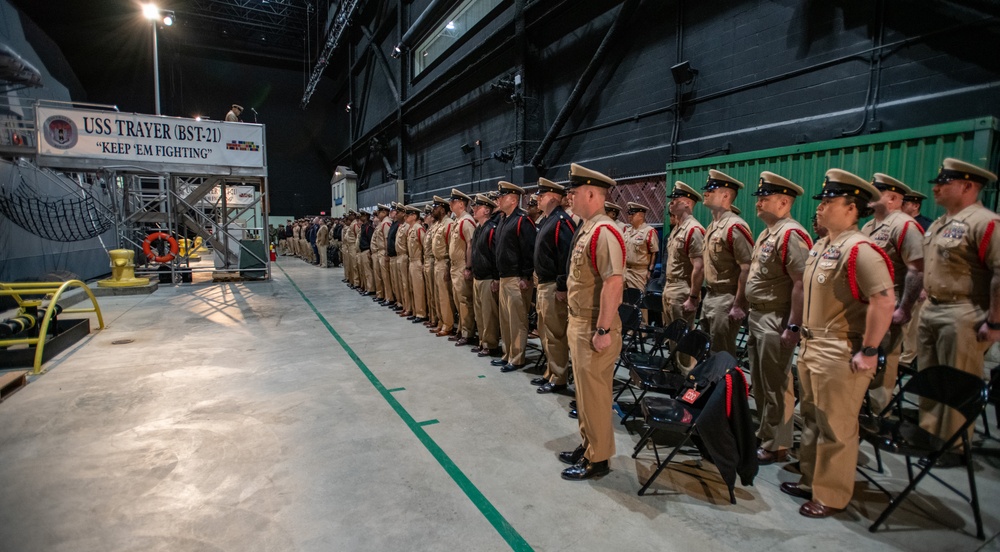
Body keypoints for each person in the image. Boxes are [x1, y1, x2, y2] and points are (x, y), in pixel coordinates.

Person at [781, 168, 894, 518]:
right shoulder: (823, 246)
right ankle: (810, 478)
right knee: (812, 418)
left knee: (837, 426)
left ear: (851, 208)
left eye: (829, 201)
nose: (820, 207)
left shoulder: (861, 250)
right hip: (814, 346)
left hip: (841, 349)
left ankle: (831, 495)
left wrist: (870, 350)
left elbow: (884, 301)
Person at [918, 158, 1000, 448]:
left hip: (963, 311)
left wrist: (994, 321)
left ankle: (952, 443)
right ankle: (929, 432)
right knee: (929, 374)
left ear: (968, 185)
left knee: (957, 378)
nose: (936, 188)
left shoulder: (985, 222)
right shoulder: (940, 223)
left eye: (944, 182)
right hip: (933, 309)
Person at [558, 163, 625, 481]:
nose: (569, 198)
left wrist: (603, 329)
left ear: (589, 193)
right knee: (584, 393)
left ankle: (598, 458)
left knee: (595, 394)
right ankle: (588, 445)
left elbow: (613, 283)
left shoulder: (605, 231)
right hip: (580, 322)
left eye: (572, 193)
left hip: (593, 325)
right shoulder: (588, 227)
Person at [745, 171, 812, 465]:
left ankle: (778, 443)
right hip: (758, 314)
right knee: (760, 382)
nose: (759, 203)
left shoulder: (791, 234)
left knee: (776, 383)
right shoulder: (768, 233)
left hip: (776, 317)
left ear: (784, 202)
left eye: (765, 198)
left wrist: (793, 325)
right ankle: (764, 431)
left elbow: (800, 283)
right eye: (759, 198)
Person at [860, 173, 924, 413]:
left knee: (883, 362)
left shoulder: (904, 225)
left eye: (875, 190)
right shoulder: (869, 226)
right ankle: (861, 407)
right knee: (866, 358)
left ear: (892, 197)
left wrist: (905, 308)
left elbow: (917, 269)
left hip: (888, 306)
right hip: (864, 305)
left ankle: (877, 413)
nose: (869, 194)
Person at [701, 170, 754, 356]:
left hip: (726, 298)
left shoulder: (734, 227)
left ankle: (726, 385)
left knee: (721, 353)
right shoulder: (712, 226)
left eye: (711, 189)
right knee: (708, 349)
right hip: (710, 295)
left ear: (725, 195)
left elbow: (747, 268)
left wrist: (739, 304)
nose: (705, 193)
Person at [532, 178, 576, 393]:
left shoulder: (561, 221)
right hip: (543, 284)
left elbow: (566, 256)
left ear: (554, 198)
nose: (538, 198)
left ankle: (559, 377)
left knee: (556, 334)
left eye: (542, 194)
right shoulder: (547, 220)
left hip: (553, 286)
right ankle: (550, 372)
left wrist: (562, 285)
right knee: (545, 332)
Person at [492, 181, 537, 372]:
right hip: (504, 277)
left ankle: (517, 357)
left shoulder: (522, 220)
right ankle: (507, 353)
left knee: (517, 320)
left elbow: (528, 250)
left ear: (513, 199)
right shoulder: (504, 219)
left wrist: (525, 276)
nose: (498, 200)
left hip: (517, 278)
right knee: (505, 319)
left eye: (502, 197)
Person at [661, 182, 705, 338]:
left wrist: (693, 297)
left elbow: (699, 267)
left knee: (682, 339)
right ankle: (675, 363)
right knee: (672, 338)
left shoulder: (693, 230)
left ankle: (685, 364)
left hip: (682, 289)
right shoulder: (677, 229)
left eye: (675, 199)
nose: (670, 203)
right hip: (670, 286)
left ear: (687, 203)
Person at [470, 194, 503, 357]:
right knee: (480, 312)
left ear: (487, 210)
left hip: (488, 277)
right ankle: (483, 340)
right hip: (478, 276)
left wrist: (496, 278)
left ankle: (491, 344)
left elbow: (496, 255)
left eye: (478, 207)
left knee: (489, 313)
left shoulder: (491, 229)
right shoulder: (478, 229)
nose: (474, 209)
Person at [448, 189, 477, 345]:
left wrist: (468, 267)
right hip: (455, 266)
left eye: (453, 202)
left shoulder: (466, 221)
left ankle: (468, 333)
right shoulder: (458, 220)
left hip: (461, 266)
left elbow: (470, 245)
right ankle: (461, 329)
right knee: (458, 300)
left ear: (461, 204)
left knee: (465, 300)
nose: (450, 205)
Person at [430, 196, 455, 337]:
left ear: (443, 209)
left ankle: (448, 324)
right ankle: (441, 322)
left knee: (445, 296)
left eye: (436, 207)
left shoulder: (448, 223)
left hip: (444, 261)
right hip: (436, 262)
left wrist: (448, 266)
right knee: (438, 295)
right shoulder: (438, 224)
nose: (433, 210)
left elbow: (450, 246)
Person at [622, 202, 659, 291]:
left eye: (632, 214)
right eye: (629, 214)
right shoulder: (627, 231)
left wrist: (650, 271)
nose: (629, 216)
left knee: (637, 297)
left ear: (641, 216)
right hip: (625, 270)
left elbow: (654, 252)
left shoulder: (648, 231)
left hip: (639, 272)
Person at [405, 205, 427, 322]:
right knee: (412, 288)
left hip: (418, 261)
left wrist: (424, 262)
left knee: (418, 289)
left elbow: (425, 246)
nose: (405, 217)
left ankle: (421, 313)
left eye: (408, 215)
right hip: (411, 260)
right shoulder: (411, 229)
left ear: (414, 216)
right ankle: (415, 310)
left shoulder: (419, 228)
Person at [393, 204, 412, 316]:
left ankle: (409, 308)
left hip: (405, 256)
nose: (396, 214)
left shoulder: (407, 227)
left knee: (406, 284)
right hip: (399, 256)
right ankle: (405, 306)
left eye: (399, 212)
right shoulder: (401, 226)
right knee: (400, 284)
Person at [422, 209, 439, 329]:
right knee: (430, 292)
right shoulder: (429, 229)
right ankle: (432, 317)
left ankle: (437, 319)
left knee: (435, 292)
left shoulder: (435, 228)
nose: (425, 217)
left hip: (433, 260)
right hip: (428, 260)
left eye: (428, 214)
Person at [358, 211, 375, 291]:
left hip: (366, 250)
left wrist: (370, 251)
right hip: (362, 250)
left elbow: (370, 240)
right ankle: (366, 287)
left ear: (366, 216)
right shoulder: (363, 226)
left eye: (362, 215)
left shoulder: (369, 227)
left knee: (368, 271)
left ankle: (370, 288)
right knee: (364, 271)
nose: (360, 217)